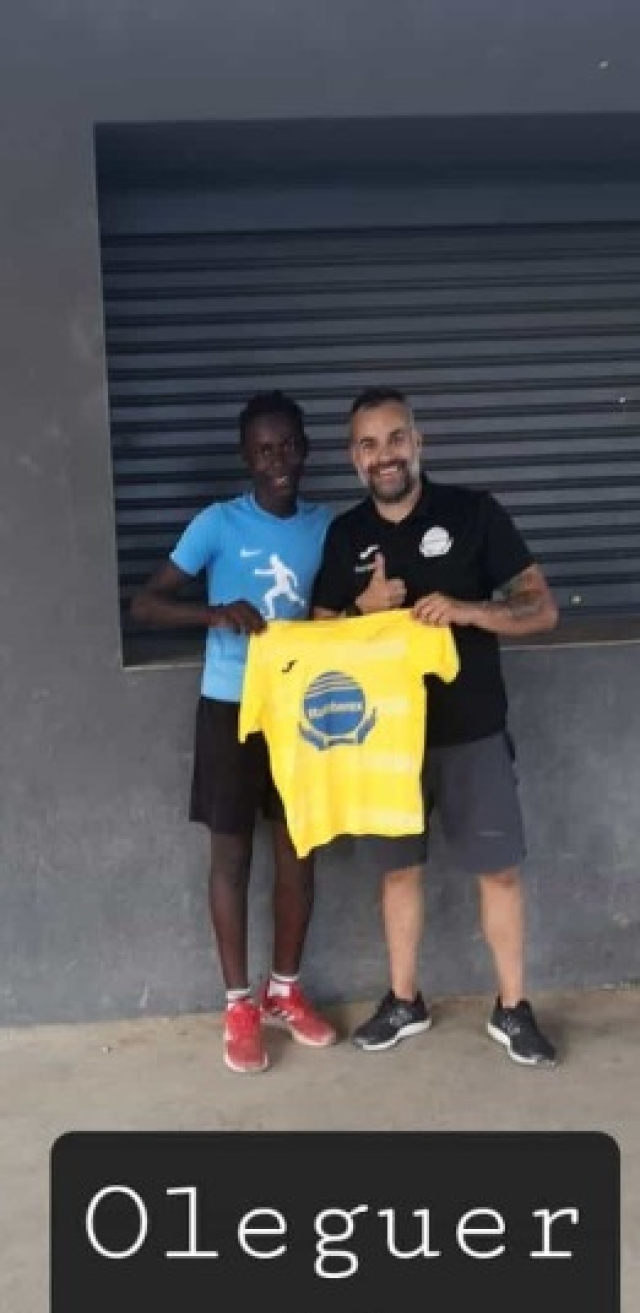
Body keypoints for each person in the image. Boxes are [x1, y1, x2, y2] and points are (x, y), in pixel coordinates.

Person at [313, 386, 560, 1067]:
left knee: (499, 872)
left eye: (396, 438)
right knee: (397, 875)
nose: (385, 455)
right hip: (383, 741)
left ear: (418, 443)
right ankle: (404, 1001)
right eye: (369, 444)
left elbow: (541, 608)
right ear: (354, 458)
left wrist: (467, 609)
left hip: (472, 728)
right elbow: (317, 638)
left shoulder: (474, 513)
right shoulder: (345, 535)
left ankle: (513, 1008)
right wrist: (363, 610)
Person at [131, 390, 337, 1074]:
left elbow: (348, 611)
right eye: (264, 450)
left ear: (306, 449)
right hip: (230, 706)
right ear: (246, 458)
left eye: (288, 446)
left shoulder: (328, 527)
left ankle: (285, 991)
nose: (278, 461)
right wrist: (215, 613)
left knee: (298, 852)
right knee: (231, 856)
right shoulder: (217, 523)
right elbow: (145, 604)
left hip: (300, 710)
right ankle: (239, 1006)